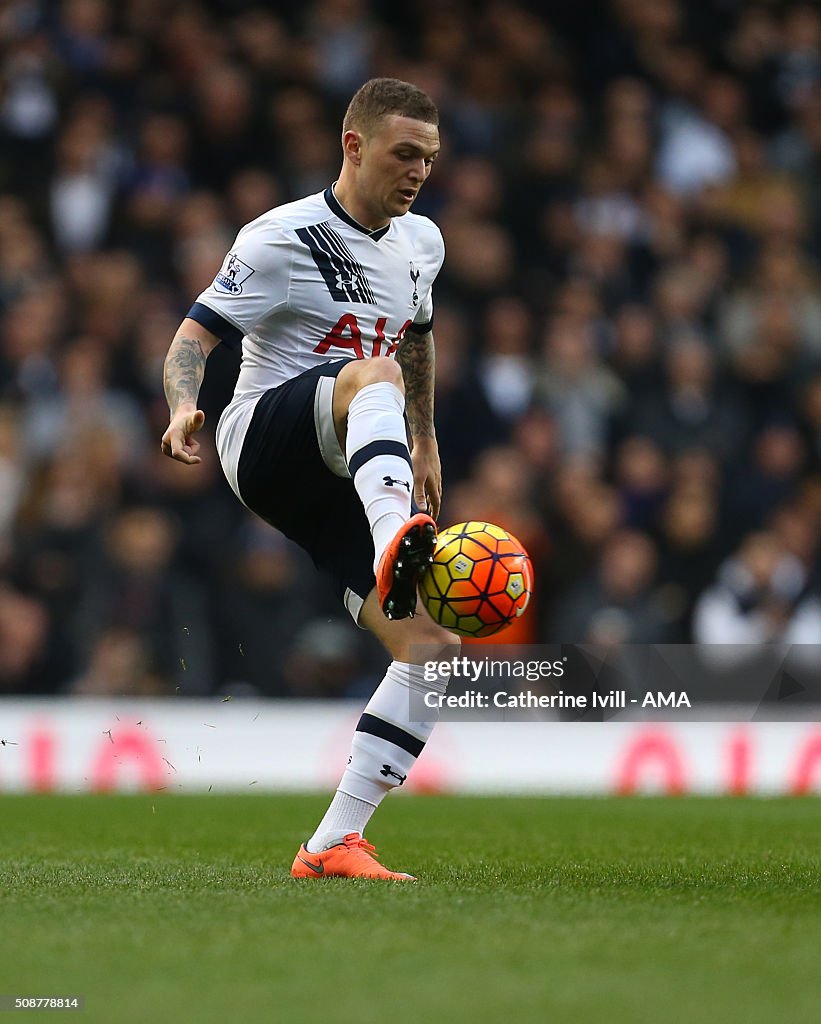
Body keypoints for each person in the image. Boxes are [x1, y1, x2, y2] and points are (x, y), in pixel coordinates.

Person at [161, 78, 457, 881]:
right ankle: (395, 529)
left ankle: (331, 842)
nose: (418, 172)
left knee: (433, 648)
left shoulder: (420, 243)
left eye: (428, 158)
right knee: (368, 372)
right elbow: (193, 339)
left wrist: (423, 435)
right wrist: (184, 405)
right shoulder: (279, 237)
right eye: (404, 153)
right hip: (262, 441)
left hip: (349, 465)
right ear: (352, 145)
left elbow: (418, 337)